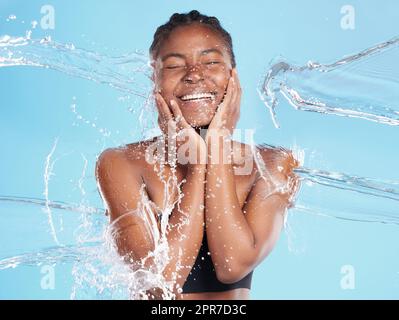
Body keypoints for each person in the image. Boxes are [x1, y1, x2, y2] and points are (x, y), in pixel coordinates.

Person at [95, 10, 299, 300]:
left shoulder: (272, 164)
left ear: (233, 77)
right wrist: (198, 165)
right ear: (155, 80)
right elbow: (161, 280)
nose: (194, 75)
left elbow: (232, 265)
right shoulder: (122, 163)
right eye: (176, 66)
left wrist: (215, 146)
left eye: (211, 62)